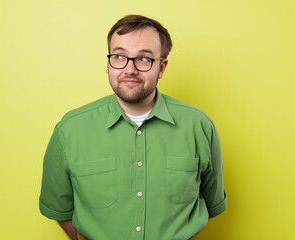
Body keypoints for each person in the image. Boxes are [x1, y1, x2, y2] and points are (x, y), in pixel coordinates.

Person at [39, 14, 227, 240]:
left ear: (162, 67)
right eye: (119, 56)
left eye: (144, 59)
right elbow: (60, 210)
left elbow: (211, 204)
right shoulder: (69, 130)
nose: (130, 69)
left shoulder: (199, 127)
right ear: (108, 64)